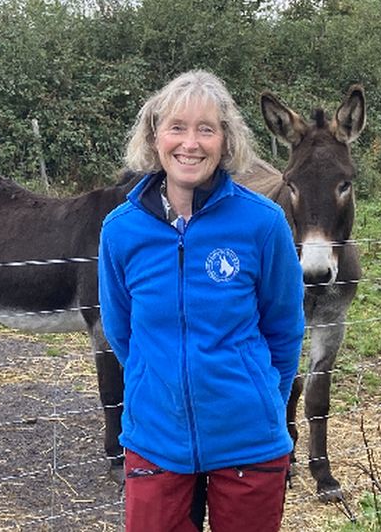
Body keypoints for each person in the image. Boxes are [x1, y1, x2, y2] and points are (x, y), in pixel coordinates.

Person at [97, 69, 305, 532]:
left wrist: (259, 398)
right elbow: (121, 331)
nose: (190, 143)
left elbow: (285, 329)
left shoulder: (263, 223)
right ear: (154, 138)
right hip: (155, 437)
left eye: (206, 129)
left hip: (249, 439)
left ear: (225, 141)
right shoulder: (120, 230)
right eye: (177, 127)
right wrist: (156, 383)